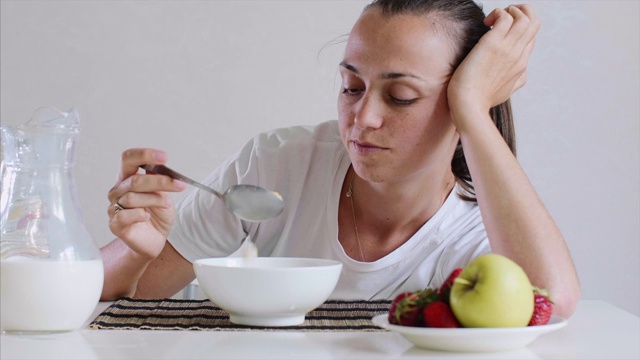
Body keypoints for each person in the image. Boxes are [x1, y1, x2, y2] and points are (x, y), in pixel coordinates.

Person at [101, 0, 580, 318]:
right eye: (352, 87)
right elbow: (133, 297)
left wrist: (476, 108)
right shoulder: (278, 165)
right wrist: (135, 250)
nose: (363, 117)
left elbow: (551, 304)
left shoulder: (482, 233)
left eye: (402, 96)